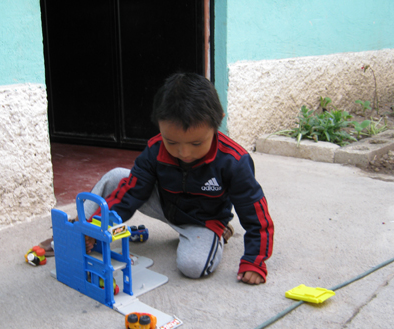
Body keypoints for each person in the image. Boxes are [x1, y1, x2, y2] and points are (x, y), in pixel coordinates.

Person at [51, 73, 274, 285]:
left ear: (218, 123)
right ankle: (82, 231)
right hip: (165, 204)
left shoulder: (234, 161)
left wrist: (254, 261)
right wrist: (100, 225)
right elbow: (131, 193)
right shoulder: (154, 150)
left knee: (193, 267)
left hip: (204, 221)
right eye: (172, 142)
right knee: (117, 177)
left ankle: (219, 234)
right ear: (159, 125)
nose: (184, 153)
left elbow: (255, 212)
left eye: (196, 143)